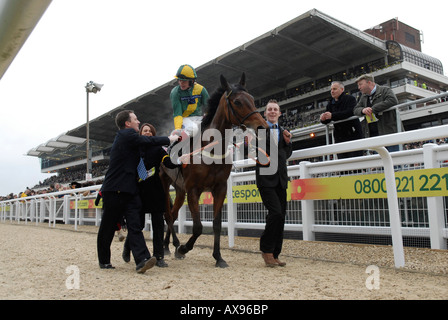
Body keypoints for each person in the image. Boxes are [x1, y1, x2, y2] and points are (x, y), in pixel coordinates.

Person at [96, 110, 179, 273]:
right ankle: (104, 260)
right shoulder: (125, 135)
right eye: (135, 119)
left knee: (135, 226)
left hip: (130, 191)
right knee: (107, 226)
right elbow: (149, 140)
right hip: (114, 190)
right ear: (127, 123)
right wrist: (170, 139)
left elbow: (150, 145)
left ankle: (142, 260)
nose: (138, 121)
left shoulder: (134, 141)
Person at [122, 123, 178, 268]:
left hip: (155, 190)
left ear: (153, 134)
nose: (147, 133)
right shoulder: (133, 148)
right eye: (144, 130)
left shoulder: (159, 149)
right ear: (140, 133)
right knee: (137, 224)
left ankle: (159, 256)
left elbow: (168, 162)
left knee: (158, 224)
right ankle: (128, 247)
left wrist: (180, 160)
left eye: (150, 131)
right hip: (137, 190)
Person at [256, 99, 292, 267]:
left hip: (281, 179)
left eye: (275, 109)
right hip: (265, 178)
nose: (272, 111)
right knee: (276, 213)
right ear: (265, 113)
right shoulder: (259, 131)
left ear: (279, 113)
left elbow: (287, 154)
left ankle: (275, 253)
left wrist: (287, 142)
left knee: (280, 217)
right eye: (269, 109)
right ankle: (266, 250)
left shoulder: (285, 131)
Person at [353, 74, 401, 152]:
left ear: (369, 83)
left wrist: (373, 109)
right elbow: (355, 110)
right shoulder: (363, 97)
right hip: (373, 134)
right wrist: (363, 110)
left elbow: (393, 100)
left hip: (389, 132)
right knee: (379, 161)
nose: (359, 88)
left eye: (360, 84)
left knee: (394, 159)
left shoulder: (385, 90)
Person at [169, 64, 209, 155]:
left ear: (192, 81)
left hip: (199, 118)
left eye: (184, 81)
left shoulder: (201, 89)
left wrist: (208, 116)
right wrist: (178, 129)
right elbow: (177, 113)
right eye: (179, 80)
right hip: (185, 119)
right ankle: (175, 145)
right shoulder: (175, 92)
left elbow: (209, 107)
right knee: (194, 128)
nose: (180, 83)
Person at [320, 81, 363, 159]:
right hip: (339, 137)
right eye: (331, 89)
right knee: (342, 161)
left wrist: (332, 115)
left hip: (353, 134)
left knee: (356, 161)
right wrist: (323, 119)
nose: (332, 91)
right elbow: (328, 118)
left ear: (342, 89)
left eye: (334, 89)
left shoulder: (350, 99)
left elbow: (350, 112)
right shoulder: (330, 103)